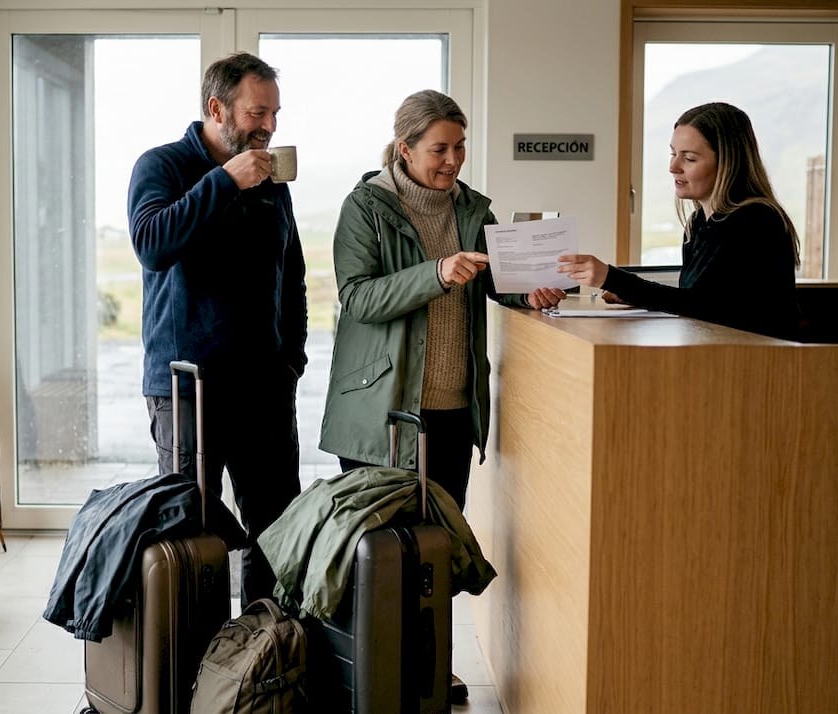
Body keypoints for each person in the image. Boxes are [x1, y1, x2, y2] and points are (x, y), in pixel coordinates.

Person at [317, 89, 562, 705]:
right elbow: (358, 297)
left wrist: (528, 291)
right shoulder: (365, 206)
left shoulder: (474, 209)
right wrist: (436, 273)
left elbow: (498, 281)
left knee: (438, 550)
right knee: (377, 549)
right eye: (439, 149)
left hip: (453, 410)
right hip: (383, 413)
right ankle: (369, 671)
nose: (452, 160)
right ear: (405, 148)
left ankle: (429, 669)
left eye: (459, 147)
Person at [127, 52, 307, 607]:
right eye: (257, 113)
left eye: (275, 114)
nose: (269, 126)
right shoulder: (161, 165)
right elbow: (152, 244)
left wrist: (291, 360)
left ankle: (263, 647)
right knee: (190, 533)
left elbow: (291, 276)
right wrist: (225, 181)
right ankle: (193, 653)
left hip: (264, 389)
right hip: (187, 390)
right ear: (217, 108)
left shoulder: (272, 181)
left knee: (277, 530)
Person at [556, 101, 800, 339]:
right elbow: (697, 303)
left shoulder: (757, 220)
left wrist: (614, 279)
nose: (673, 167)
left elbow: (706, 306)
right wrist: (632, 294)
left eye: (689, 158)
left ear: (728, 163)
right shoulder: (698, 223)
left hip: (755, 358)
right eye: (673, 154)